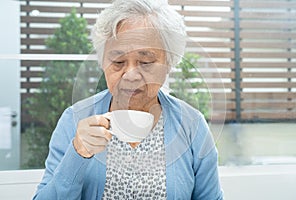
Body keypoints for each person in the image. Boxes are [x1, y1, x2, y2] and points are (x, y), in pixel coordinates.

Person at [33, 0, 224, 199]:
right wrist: (78, 152)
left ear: (169, 63)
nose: (130, 75)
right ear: (103, 62)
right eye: (118, 62)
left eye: (146, 62)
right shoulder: (73, 120)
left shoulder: (192, 125)